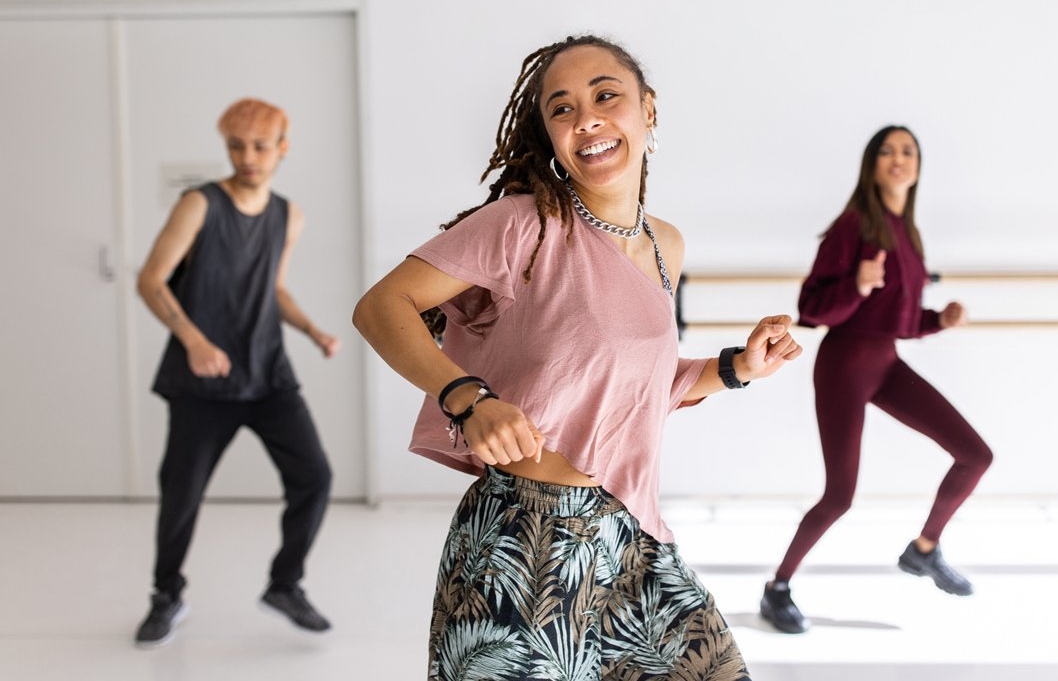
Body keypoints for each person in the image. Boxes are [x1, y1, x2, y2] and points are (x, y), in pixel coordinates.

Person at [354, 35, 802, 678]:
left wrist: (738, 369)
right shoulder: (523, 225)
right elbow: (381, 306)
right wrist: (467, 397)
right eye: (561, 108)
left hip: (630, 542)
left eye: (605, 95)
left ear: (648, 110)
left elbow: (627, 387)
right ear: (550, 134)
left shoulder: (665, 244)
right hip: (522, 545)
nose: (585, 117)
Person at [760, 125, 994, 635]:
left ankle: (924, 550)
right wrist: (857, 285)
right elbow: (812, 310)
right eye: (887, 150)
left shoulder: (907, 233)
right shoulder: (853, 225)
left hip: (885, 362)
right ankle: (777, 587)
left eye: (908, 151)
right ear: (871, 164)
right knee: (840, 496)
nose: (898, 159)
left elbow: (901, 321)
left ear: (918, 166)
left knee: (976, 455)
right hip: (844, 365)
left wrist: (940, 320)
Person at [133, 98, 338, 648]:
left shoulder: (287, 215)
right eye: (236, 146)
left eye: (260, 146)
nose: (248, 157)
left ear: (282, 147)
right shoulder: (199, 205)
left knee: (314, 478)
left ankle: (285, 585)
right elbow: (151, 280)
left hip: (269, 374)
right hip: (202, 381)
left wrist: (312, 330)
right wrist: (195, 341)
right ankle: (166, 594)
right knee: (181, 494)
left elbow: (273, 289)